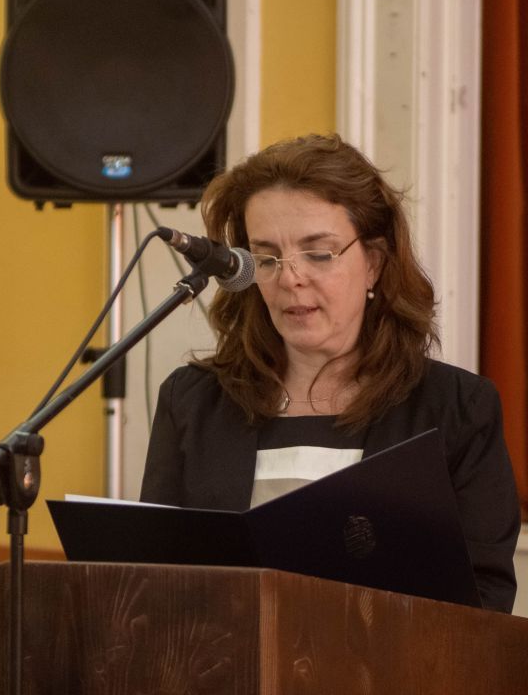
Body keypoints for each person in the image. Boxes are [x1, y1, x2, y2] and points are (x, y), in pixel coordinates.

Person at [140, 133, 520, 613]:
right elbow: (152, 580)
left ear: (374, 264)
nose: (290, 278)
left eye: (318, 253)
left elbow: (484, 603)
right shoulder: (193, 401)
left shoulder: (457, 408)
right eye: (267, 258)